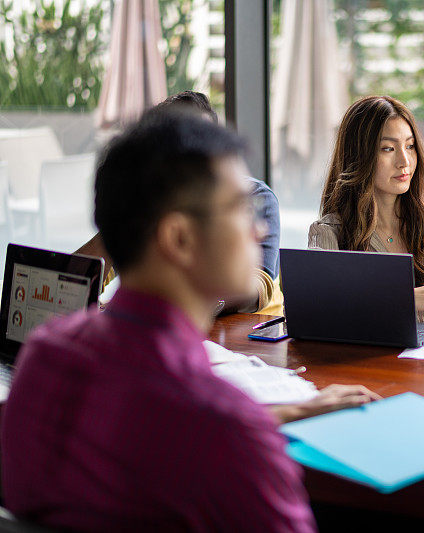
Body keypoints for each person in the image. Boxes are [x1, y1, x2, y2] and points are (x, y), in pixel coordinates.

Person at [1, 110, 379, 531]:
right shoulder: (230, 436)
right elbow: (200, 431)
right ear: (179, 237)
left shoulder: (45, 356)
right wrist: (250, 426)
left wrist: (276, 415)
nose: (258, 230)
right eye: (239, 208)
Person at [77, 90, 282, 314]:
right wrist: (121, 219)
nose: (258, 230)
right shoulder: (154, 208)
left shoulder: (255, 195)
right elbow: (70, 286)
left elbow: (258, 286)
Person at [308, 96, 424, 335]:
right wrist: (405, 298)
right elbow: (320, 318)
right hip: (369, 369)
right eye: (388, 149)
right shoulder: (329, 232)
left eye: (410, 146)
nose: (404, 161)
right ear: (358, 157)